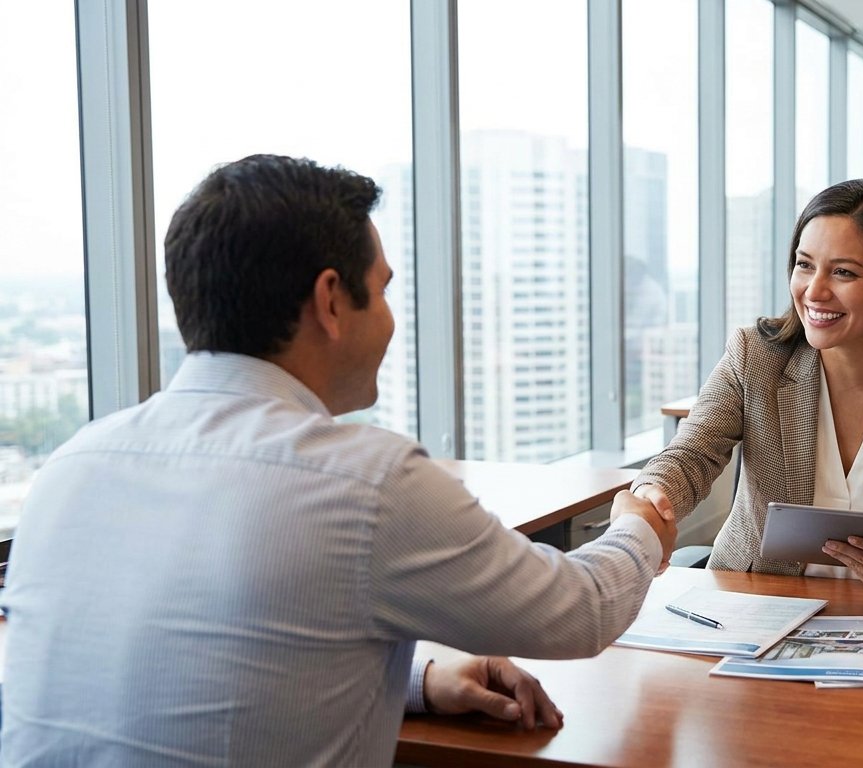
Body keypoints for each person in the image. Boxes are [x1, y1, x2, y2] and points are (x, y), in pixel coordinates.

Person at [0, 155, 676, 765]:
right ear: (330, 301)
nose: (389, 319)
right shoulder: (363, 482)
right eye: (380, 291)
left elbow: (166, 665)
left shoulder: (70, 467)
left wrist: (418, 684)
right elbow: (579, 610)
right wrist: (641, 525)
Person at [633, 179, 863, 609]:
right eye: (805, 265)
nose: (814, 290)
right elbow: (692, 455)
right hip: (755, 605)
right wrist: (651, 496)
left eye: (843, 272)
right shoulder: (755, 356)